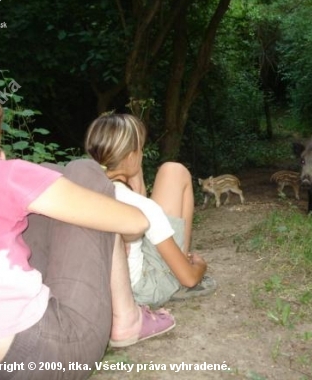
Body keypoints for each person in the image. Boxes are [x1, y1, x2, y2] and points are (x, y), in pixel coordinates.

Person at [0, 71, 175, 380]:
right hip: (36, 357)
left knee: (48, 180)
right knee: (84, 171)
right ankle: (127, 320)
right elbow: (136, 222)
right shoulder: (4, 175)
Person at [84, 113, 217, 308]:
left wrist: (133, 171)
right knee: (176, 171)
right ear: (130, 157)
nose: (142, 154)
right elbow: (190, 279)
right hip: (141, 289)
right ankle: (180, 264)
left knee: (170, 171)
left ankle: (176, 259)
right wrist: (200, 267)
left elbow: (136, 198)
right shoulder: (144, 208)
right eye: (140, 150)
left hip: (101, 286)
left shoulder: (82, 188)